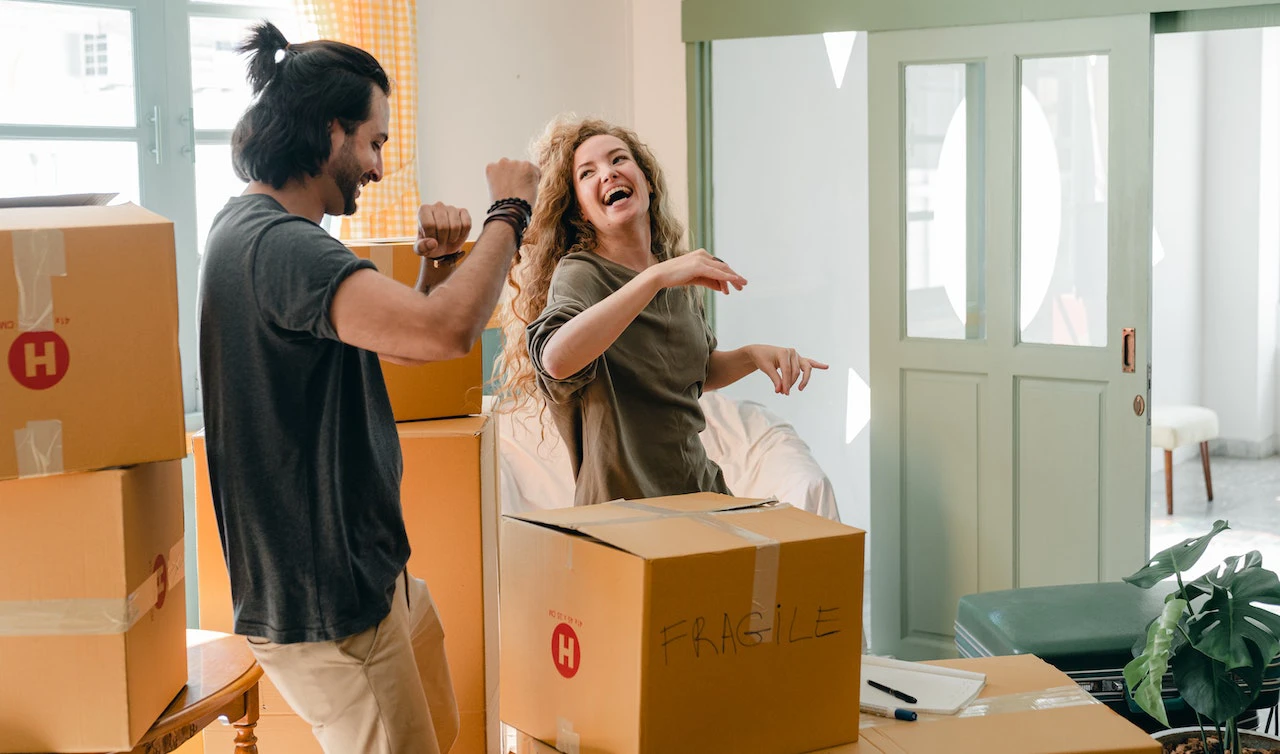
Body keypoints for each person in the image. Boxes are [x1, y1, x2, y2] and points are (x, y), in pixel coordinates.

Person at [198, 22, 538, 754]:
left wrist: (441, 270)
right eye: (375, 142)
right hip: (333, 605)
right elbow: (445, 336)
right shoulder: (284, 247)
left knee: (439, 734)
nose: (380, 167)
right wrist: (509, 212)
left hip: (371, 580)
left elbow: (408, 345)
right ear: (331, 132)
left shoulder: (257, 231)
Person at [495, 117, 825, 507]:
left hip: (696, 488)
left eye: (619, 159)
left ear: (646, 180)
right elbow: (555, 358)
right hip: (623, 510)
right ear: (580, 209)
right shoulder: (582, 273)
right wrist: (655, 279)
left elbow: (693, 372)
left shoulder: (673, 272)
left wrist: (751, 355)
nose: (609, 173)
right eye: (588, 173)